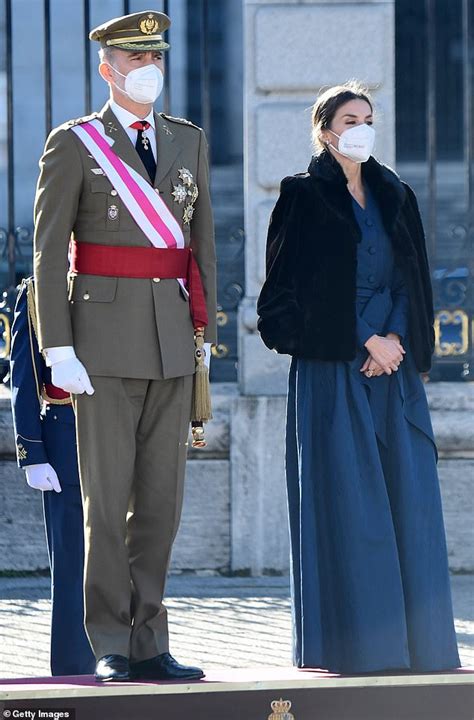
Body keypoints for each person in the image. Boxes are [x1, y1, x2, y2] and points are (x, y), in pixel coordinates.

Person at [34, 10, 217, 682]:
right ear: (107, 69)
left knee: (161, 506)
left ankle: (151, 640)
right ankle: (110, 639)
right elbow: (49, 254)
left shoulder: (187, 140)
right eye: (136, 60)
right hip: (100, 347)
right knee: (106, 504)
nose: (150, 70)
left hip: (172, 342)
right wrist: (58, 346)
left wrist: (206, 339)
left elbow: (202, 248)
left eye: (156, 59)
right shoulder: (76, 143)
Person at [257, 82, 460, 674]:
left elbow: (410, 280)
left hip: (392, 372)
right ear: (325, 130)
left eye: (368, 118)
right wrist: (360, 338)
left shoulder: (396, 193)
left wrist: (394, 338)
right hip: (333, 373)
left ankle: (419, 647)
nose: (362, 127)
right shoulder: (300, 197)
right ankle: (360, 649)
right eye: (350, 118)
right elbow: (283, 299)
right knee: (352, 505)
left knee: (409, 501)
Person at [9, 277, 95, 677]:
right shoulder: (38, 289)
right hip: (64, 435)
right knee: (72, 557)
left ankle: (123, 653)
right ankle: (75, 664)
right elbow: (24, 377)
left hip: (116, 432)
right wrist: (32, 453)